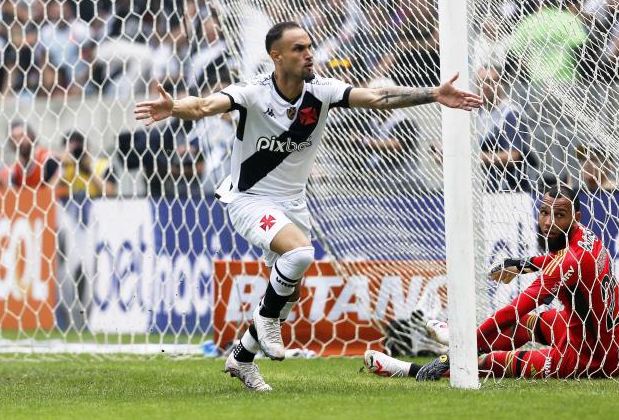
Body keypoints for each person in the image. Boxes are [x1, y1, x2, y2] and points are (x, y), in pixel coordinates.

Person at [134, 21, 482, 391]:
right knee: (300, 254)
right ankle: (265, 323)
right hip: (250, 199)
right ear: (276, 56)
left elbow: (378, 98)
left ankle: (242, 358)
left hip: (294, 205)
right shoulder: (253, 92)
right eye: (298, 48)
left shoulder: (322, 91)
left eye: (309, 46)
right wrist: (174, 107)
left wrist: (434, 94)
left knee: (285, 300)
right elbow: (204, 105)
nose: (308, 54)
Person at [364, 185, 619, 380]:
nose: (548, 223)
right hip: (613, 338)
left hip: (594, 358)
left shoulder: (568, 261)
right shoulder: (586, 238)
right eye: (544, 213)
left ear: (576, 217)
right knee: (528, 325)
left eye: (559, 216)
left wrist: (466, 346)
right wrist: (521, 263)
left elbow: (517, 308)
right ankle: (458, 338)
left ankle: (409, 368)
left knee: (491, 361)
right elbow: (560, 264)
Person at [476, 66, 536, 192]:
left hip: (512, 191)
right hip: (486, 188)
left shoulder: (510, 114)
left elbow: (513, 156)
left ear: (501, 83)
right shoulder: (478, 114)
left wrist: (475, 157)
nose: (485, 86)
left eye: (490, 81)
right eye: (481, 82)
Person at [0, 120, 59, 188]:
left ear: (31, 136)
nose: (19, 141)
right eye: (14, 138)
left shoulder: (48, 159)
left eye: (22, 135)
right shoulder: (16, 169)